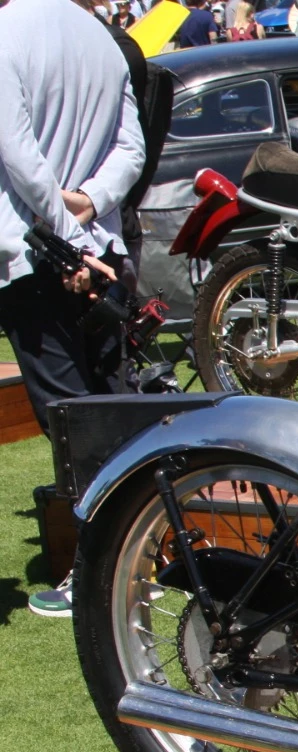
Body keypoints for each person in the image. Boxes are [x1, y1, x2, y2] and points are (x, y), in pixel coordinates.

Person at [0, 0, 146, 617]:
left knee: (69, 417)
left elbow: (16, 150)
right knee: (109, 408)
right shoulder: (101, 37)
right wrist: (90, 203)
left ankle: (98, 573)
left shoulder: (8, 34)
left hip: (39, 256)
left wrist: (65, 232)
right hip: (102, 246)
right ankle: (139, 555)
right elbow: (131, 148)